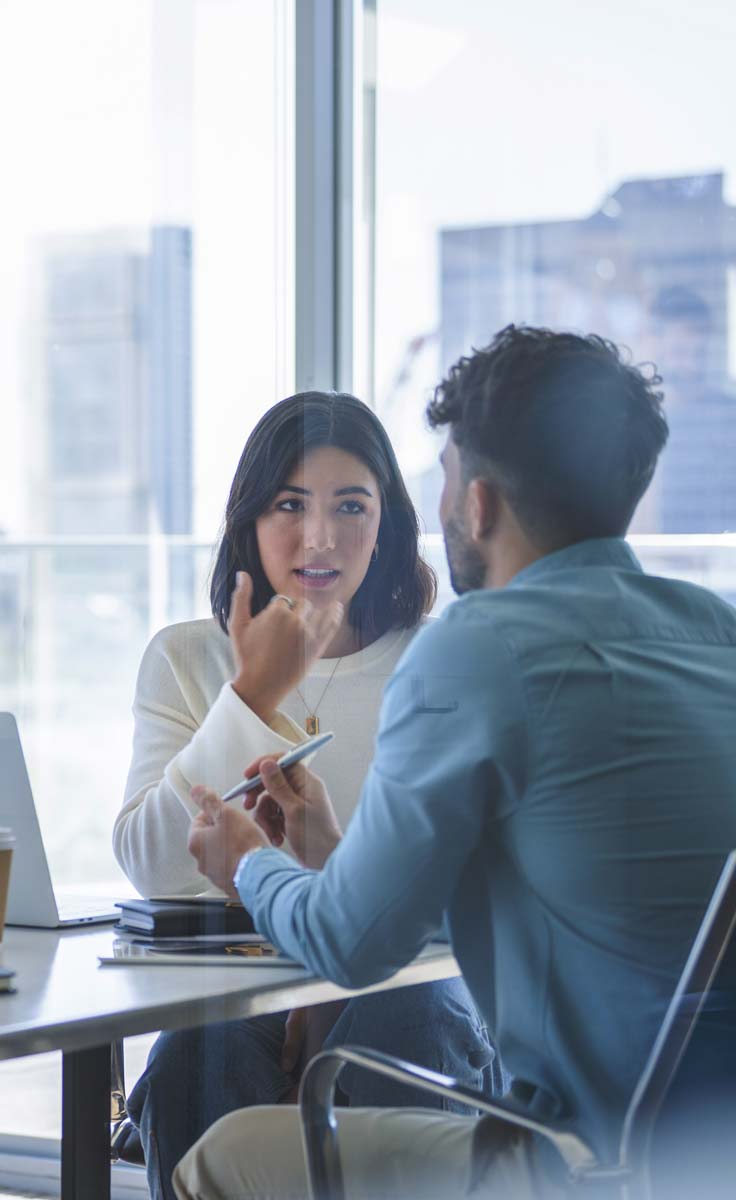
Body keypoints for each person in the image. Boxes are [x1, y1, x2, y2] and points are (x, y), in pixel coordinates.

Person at [177, 326, 736, 1199]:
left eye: (441, 474)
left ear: (476, 504)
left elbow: (347, 949)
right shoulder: (718, 634)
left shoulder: (476, 649)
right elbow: (571, 905)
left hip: (580, 1160)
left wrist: (247, 862)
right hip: (712, 1156)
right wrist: (331, 852)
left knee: (222, 1152)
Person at [113, 392, 505, 1199]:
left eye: (350, 506)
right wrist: (252, 695)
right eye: (289, 504)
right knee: (201, 1050)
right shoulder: (186, 657)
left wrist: (328, 968)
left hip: (410, 988)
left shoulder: (441, 661)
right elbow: (156, 867)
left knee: (411, 1019)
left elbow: (474, 891)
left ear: (388, 525)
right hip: (237, 988)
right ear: (249, 521)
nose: (319, 536)